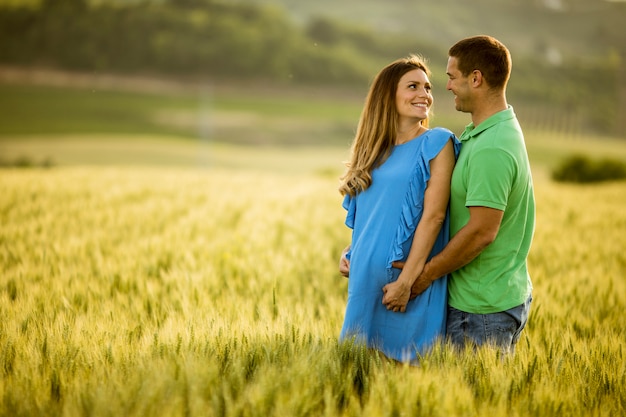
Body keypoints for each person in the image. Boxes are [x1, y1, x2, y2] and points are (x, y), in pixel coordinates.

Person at [390, 35, 536, 354]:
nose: (447, 87)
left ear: (476, 78)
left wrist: (423, 276)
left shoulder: (492, 147)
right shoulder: (484, 132)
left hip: (481, 309)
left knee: (475, 404)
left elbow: (482, 231)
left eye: (452, 77)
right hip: (489, 302)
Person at [337, 55, 460, 364]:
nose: (425, 95)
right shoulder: (373, 150)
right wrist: (353, 248)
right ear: (387, 96)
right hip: (364, 282)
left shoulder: (437, 142)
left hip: (406, 288)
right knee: (358, 377)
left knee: (407, 373)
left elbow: (434, 217)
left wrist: (406, 283)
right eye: (413, 86)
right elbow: (374, 214)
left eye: (428, 87)